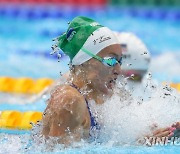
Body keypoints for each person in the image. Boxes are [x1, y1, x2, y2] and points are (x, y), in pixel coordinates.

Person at [41, 16, 179, 144]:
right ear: (84, 60)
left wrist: (152, 138)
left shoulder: (105, 99)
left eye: (119, 61)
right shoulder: (69, 100)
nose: (119, 70)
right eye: (111, 60)